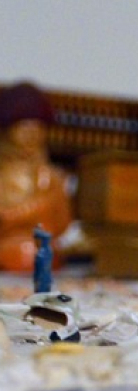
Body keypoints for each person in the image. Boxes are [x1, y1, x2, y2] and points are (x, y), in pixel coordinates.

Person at [0, 82, 72, 271]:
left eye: (38, 128)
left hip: (41, 245)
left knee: (39, 252)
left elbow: (61, 222)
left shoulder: (51, 177)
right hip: (7, 245)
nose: (31, 134)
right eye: (24, 127)